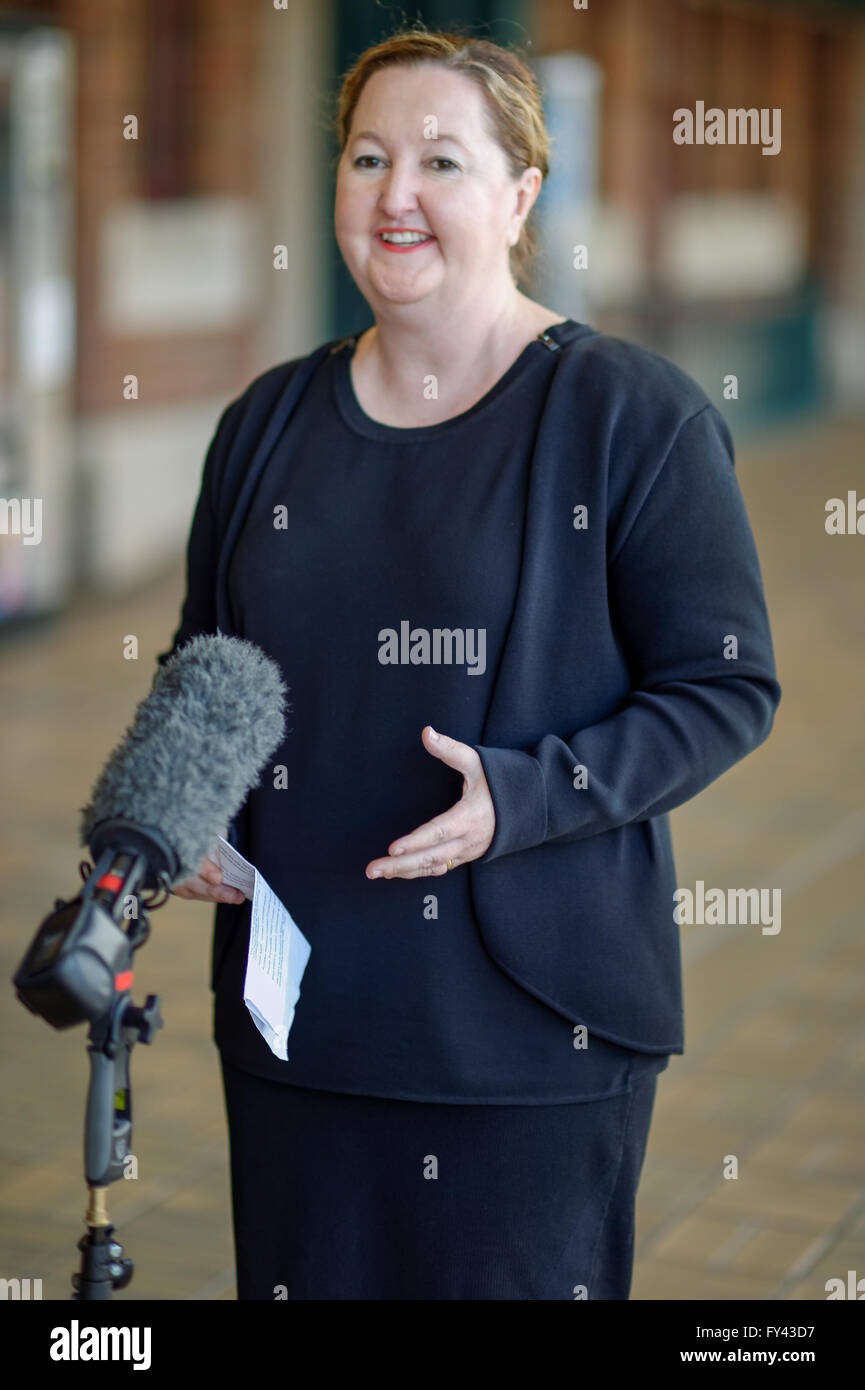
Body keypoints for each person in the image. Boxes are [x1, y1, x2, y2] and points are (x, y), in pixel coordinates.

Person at [160, 26, 781, 1300]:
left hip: (525, 1033)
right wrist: (185, 803)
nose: (397, 194)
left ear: (520, 195)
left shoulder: (628, 416)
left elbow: (724, 685)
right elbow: (200, 666)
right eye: (369, 155)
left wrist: (533, 791)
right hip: (302, 1019)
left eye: (442, 159)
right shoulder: (266, 422)